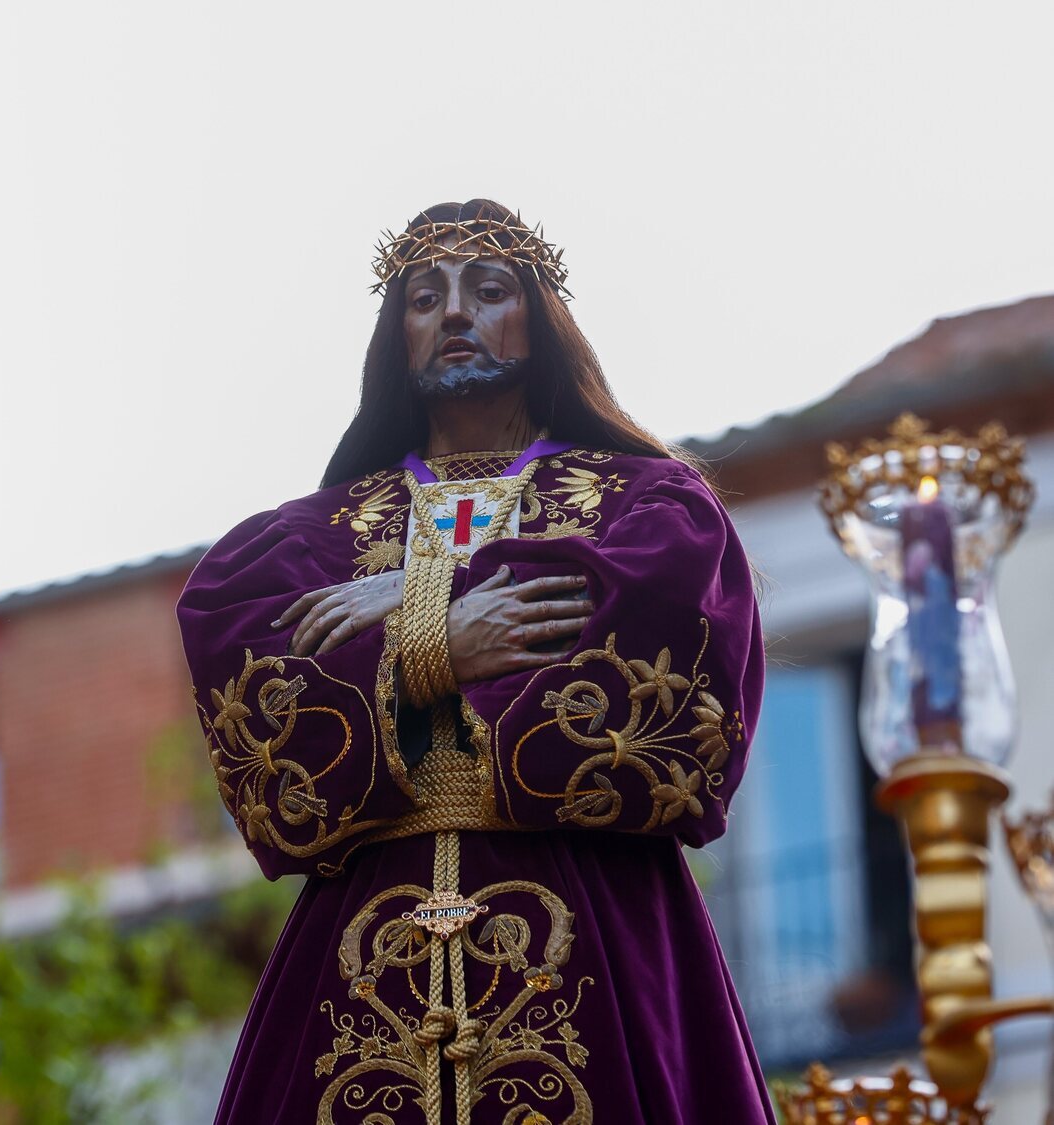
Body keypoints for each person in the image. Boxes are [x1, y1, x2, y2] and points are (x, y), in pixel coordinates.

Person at [176, 200, 774, 1124]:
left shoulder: (642, 508)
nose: (454, 313)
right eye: (425, 297)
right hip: (366, 951)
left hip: (593, 931)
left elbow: (657, 661)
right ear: (398, 336)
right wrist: (439, 642)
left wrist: (410, 603)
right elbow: (258, 704)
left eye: (487, 290)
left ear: (538, 321)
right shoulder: (308, 542)